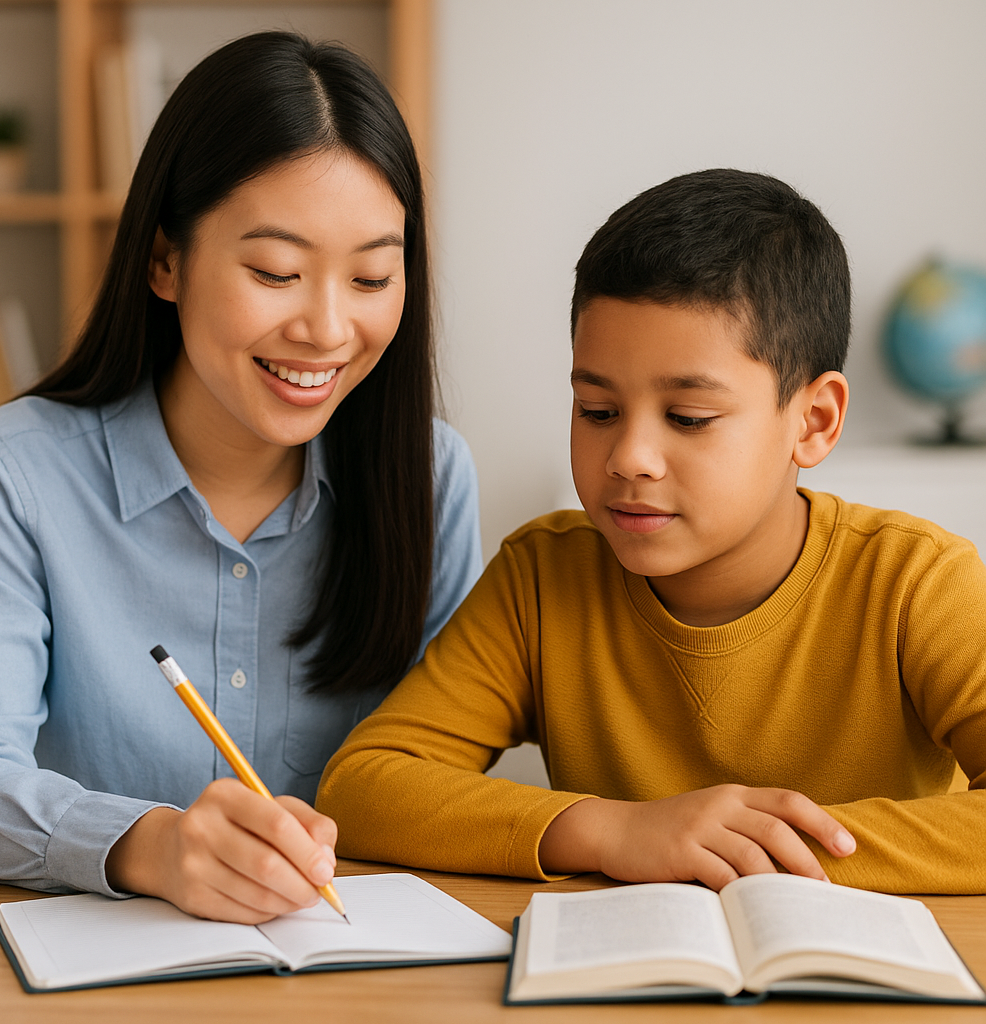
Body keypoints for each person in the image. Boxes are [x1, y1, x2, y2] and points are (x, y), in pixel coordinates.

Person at [318, 168, 986, 895]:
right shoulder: (541, 579)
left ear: (813, 421)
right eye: (597, 411)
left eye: (689, 418)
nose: (629, 459)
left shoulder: (917, 583)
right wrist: (619, 832)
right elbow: (364, 787)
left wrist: (744, 851)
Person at [0, 32, 481, 923]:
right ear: (166, 260)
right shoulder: (10, 478)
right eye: (276, 271)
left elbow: (447, 776)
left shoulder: (429, 476)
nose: (325, 328)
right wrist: (149, 845)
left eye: (370, 277)